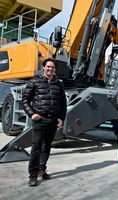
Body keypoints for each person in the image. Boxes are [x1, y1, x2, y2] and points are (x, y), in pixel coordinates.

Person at [22, 58, 67, 187]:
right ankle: (33, 174)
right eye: (48, 67)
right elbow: (25, 100)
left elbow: (63, 103)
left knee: (47, 146)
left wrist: (61, 118)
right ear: (43, 67)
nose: (50, 69)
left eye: (52, 67)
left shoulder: (59, 84)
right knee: (36, 147)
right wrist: (32, 114)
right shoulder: (34, 82)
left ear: (55, 69)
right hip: (40, 119)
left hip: (53, 120)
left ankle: (42, 169)